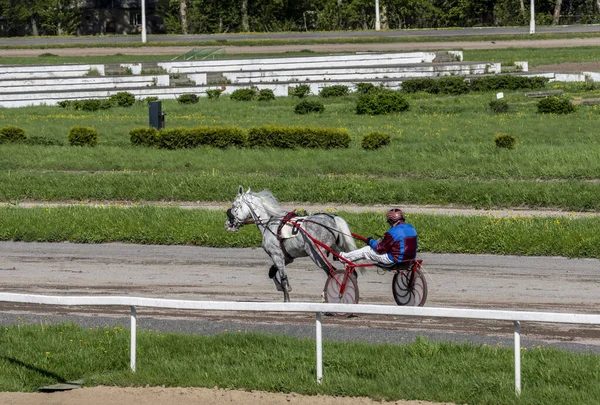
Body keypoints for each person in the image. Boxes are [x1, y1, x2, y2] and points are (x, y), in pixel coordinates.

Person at [340, 208, 417, 266]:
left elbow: (380, 249)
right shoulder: (412, 228)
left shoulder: (392, 232)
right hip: (410, 258)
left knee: (366, 250)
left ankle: (343, 257)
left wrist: (370, 241)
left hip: (394, 259)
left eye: (389, 222)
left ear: (391, 221)